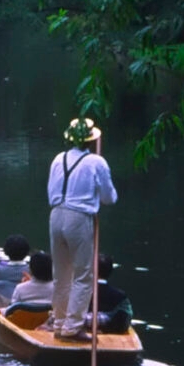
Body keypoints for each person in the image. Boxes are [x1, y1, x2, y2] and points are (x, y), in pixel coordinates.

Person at [46, 117, 118, 341]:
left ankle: (59, 323)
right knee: (84, 276)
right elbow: (109, 198)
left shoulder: (58, 158)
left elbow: (51, 191)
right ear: (90, 140)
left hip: (56, 215)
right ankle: (73, 327)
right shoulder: (97, 162)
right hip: (79, 217)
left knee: (61, 274)